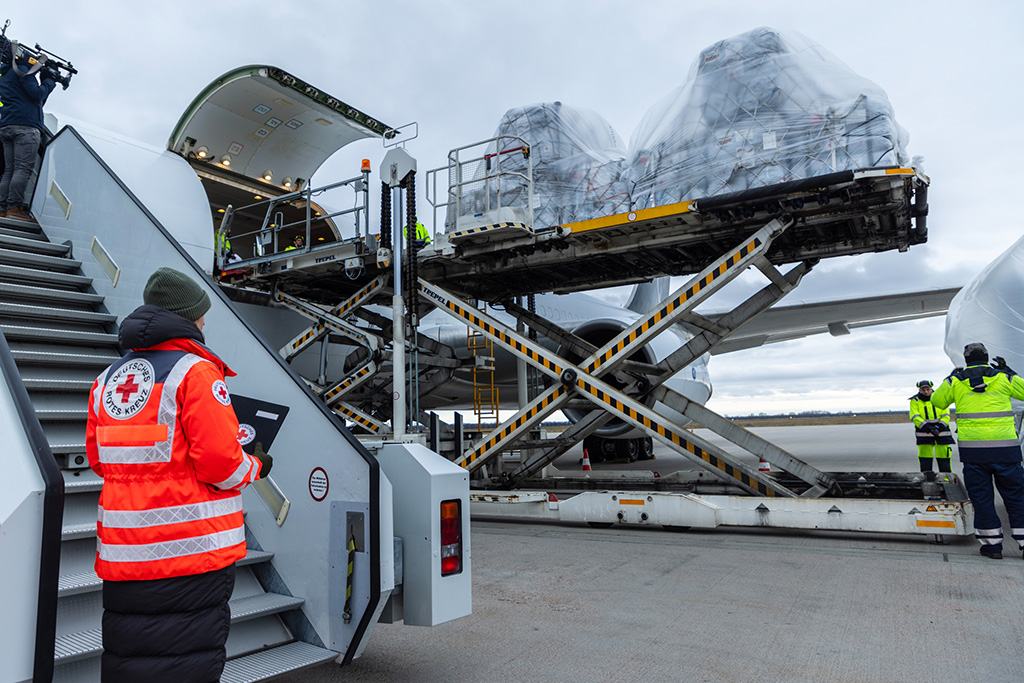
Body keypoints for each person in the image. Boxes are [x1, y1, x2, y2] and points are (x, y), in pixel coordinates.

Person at [85, 267, 273, 680]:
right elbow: (222, 464)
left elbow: (100, 460)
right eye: (203, 315)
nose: (206, 323)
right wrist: (257, 464)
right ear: (189, 317)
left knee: (131, 658)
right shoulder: (196, 373)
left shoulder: (108, 379)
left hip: (124, 553)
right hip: (190, 555)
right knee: (185, 661)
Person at [932, 342, 1024, 560]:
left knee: (982, 499)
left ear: (966, 360)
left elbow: (937, 401)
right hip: (1006, 451)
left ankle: (992, 546)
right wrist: (1010, 372)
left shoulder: (956, 382)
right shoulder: (1003, 378)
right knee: (1017, 497)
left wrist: (949, 379)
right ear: (987, 357)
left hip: (974, 453)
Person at [0, 47, 58, 222]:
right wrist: (49, 80)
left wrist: (43, 80)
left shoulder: (6, 74)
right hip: (25, 126)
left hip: (7, 125)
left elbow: (36, 100)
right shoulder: (23, 71)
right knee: (22, 169)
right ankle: (14, 208)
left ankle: (3, 208)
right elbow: (37, 93)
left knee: (9, 170)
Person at [909, 379, 953, 473]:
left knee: (944, 458)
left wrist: (938, 427)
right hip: (925, 433)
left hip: (941, 432)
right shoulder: (915, 401)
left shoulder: (940, 398)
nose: (925, 392)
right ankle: (926, 480)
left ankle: (946, 480)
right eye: (923, 390)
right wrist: (929, 428)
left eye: (927, 389)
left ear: (931, 389)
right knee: (925, 460)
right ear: (919, 390)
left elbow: (946, 415)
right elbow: (915, 417)